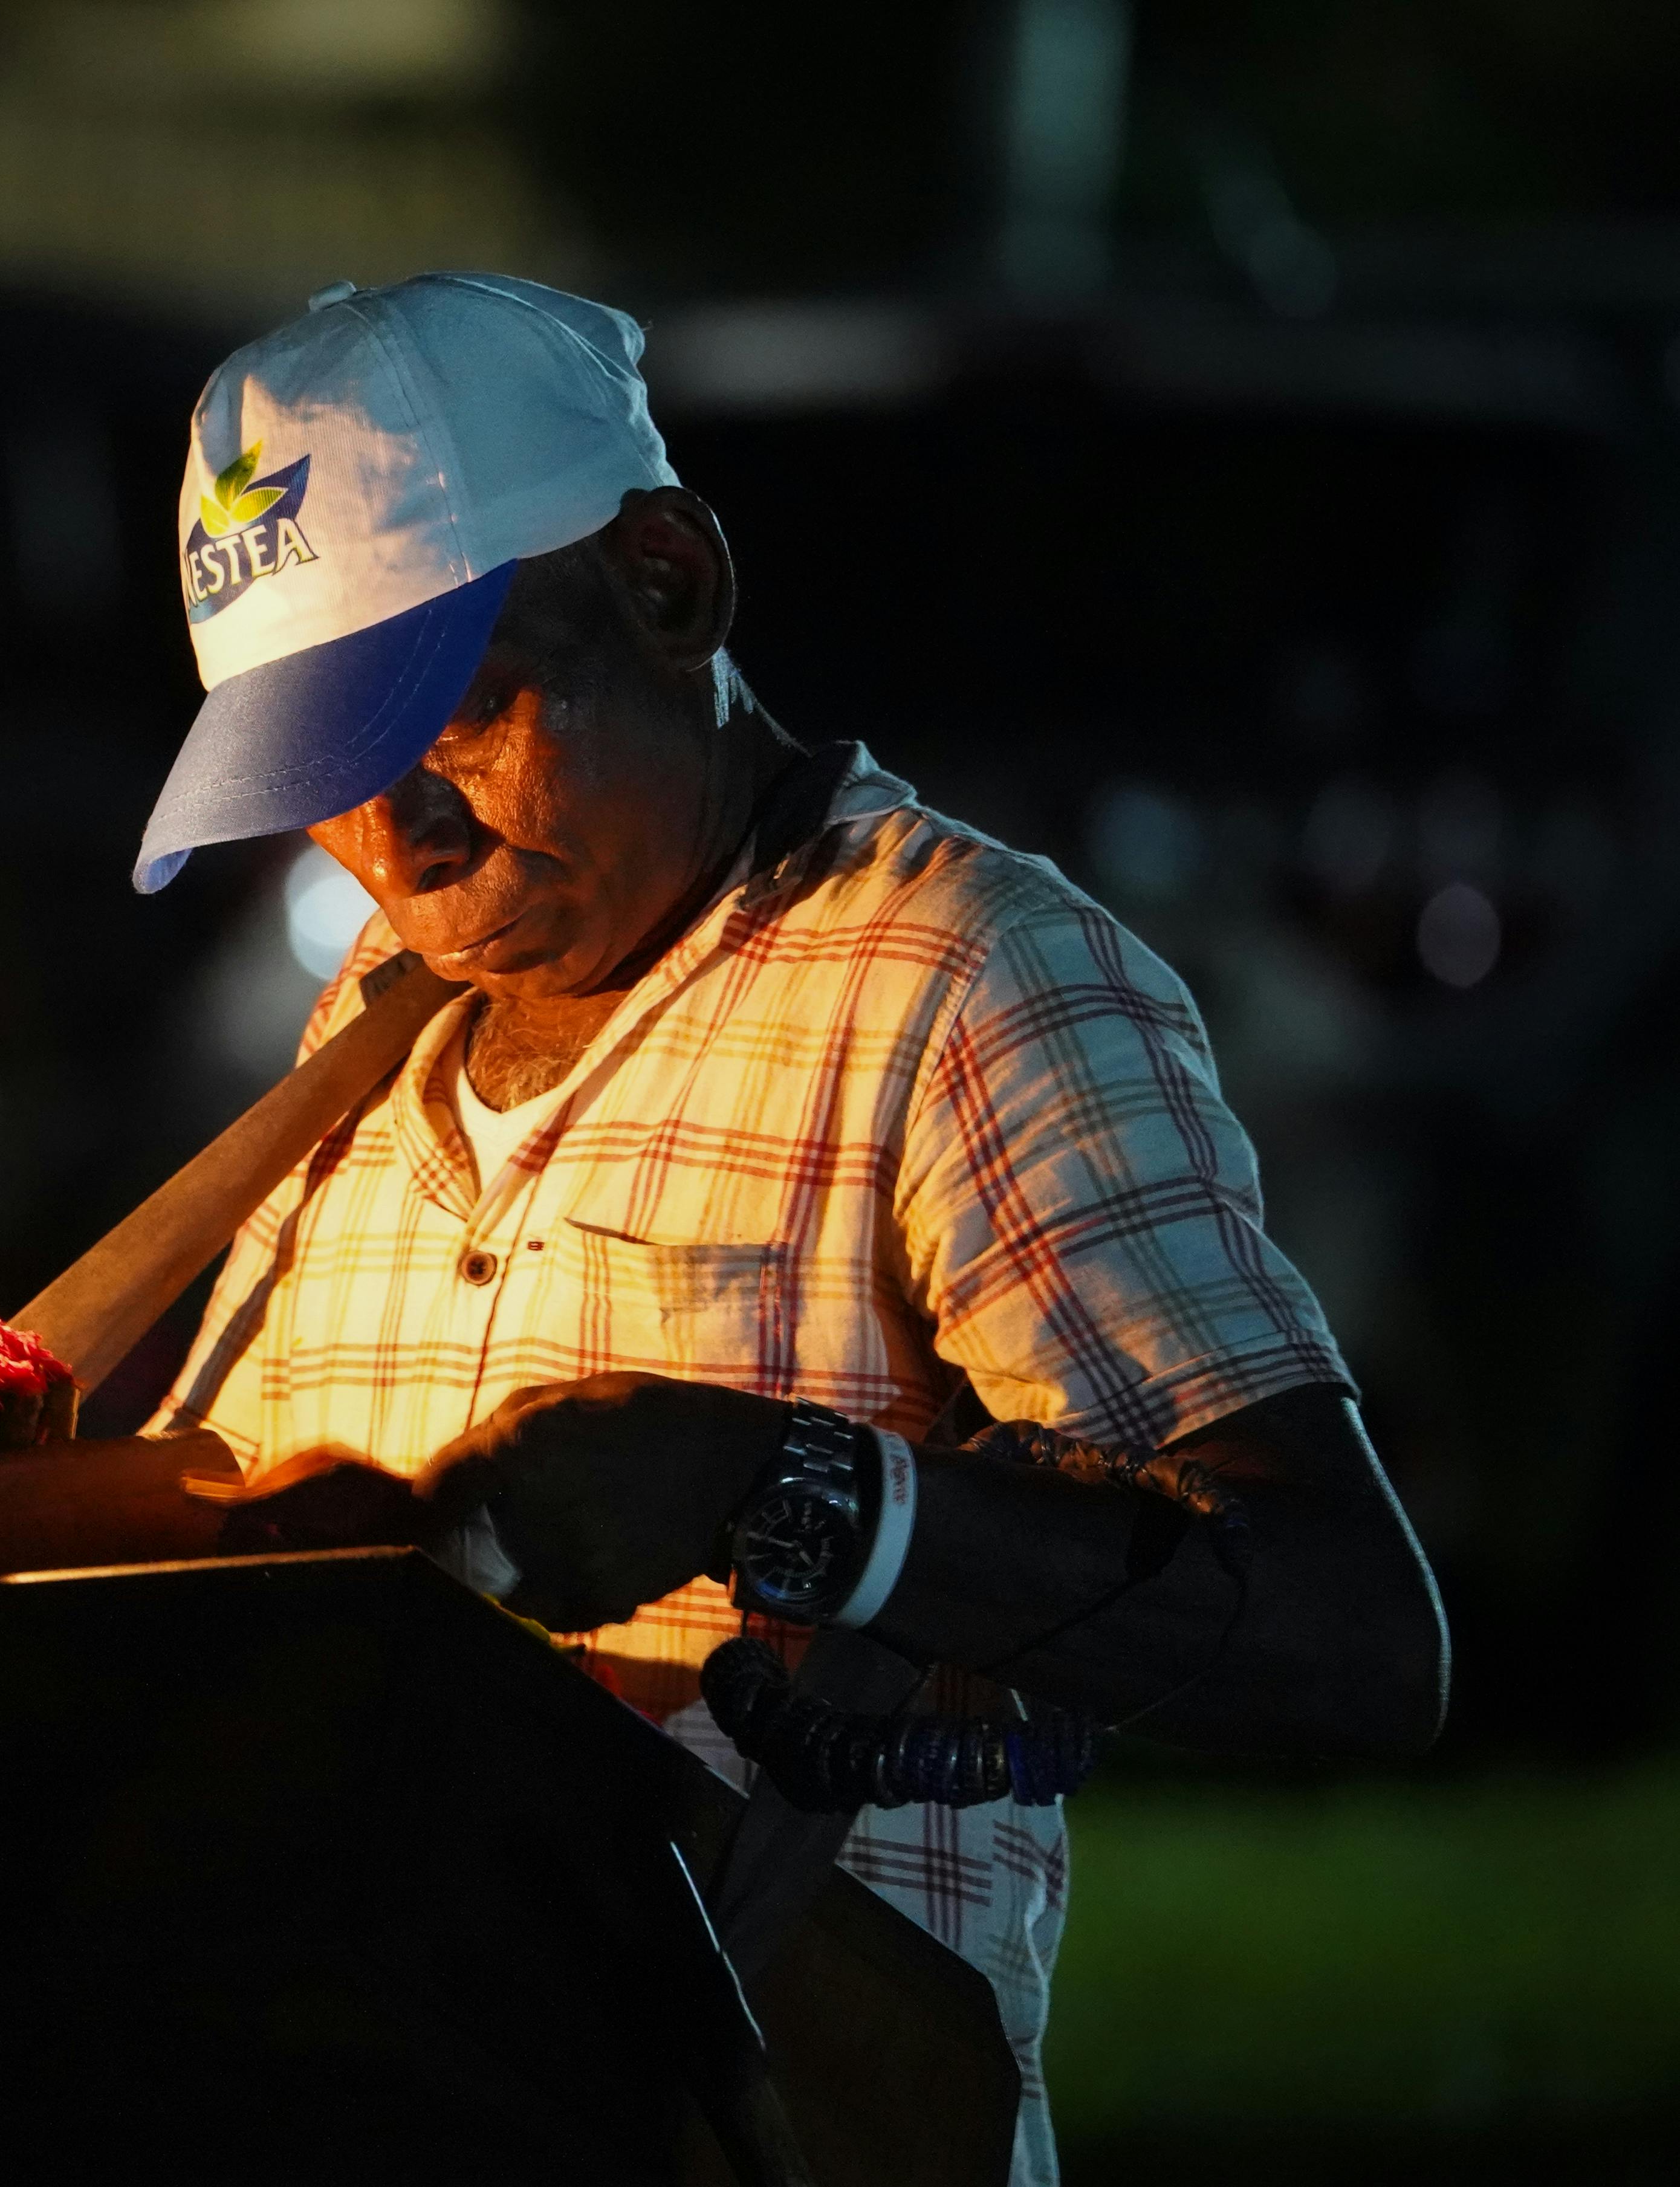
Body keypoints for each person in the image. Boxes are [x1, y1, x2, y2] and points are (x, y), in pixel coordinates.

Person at [132, 273, 1447, 2183]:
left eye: (459, 715)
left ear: (668, 583)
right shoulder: (373, 1031)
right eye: (322, 776)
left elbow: (1351, 1636)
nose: (394, 844)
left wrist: (807, 1498)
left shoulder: (968, 987)